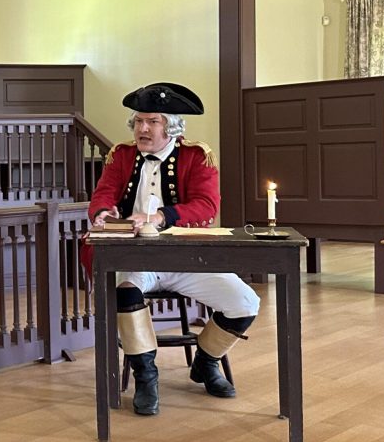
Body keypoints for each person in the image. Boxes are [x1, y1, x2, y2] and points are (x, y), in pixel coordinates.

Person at [82, 82, 260, 416]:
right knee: (124, 290)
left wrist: (163, 215)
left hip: (187, 256)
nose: (143, 129)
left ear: (171, 127)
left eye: (152, 122)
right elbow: (103, 193)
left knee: (245, 302)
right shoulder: (121, 156)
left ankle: (207, 362)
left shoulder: (195, 156)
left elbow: (207, 205)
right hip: (138, 258)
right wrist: (104, 212)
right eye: (138, 122)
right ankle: (146, 377)